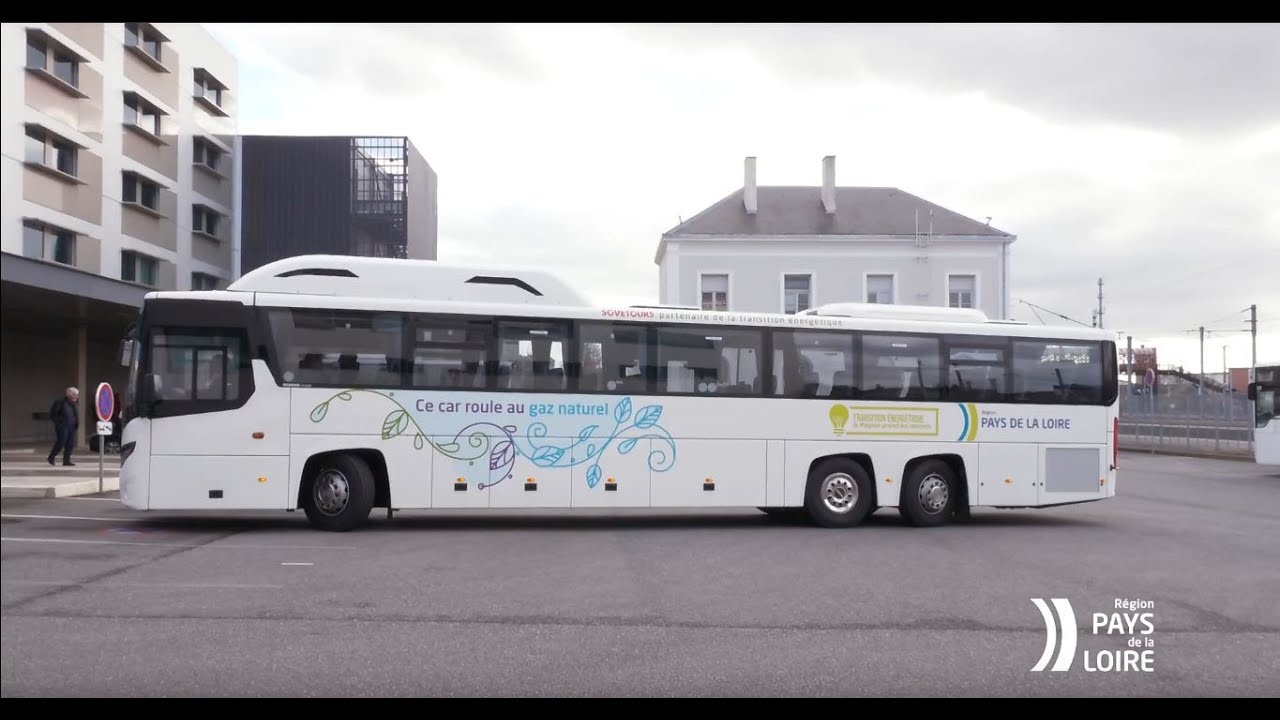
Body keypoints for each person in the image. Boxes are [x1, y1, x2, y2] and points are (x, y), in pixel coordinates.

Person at [48, 386, 80, 466]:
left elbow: (75, 414)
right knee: (61, 442)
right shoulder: (60, 402)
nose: (77, 396)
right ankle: (52, 456)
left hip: (72, 426)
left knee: (70, 444)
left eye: (77, 395)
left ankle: (66, 460)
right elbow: (53, 414)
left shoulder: (74, 403)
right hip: (63, 426)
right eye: (75, 394)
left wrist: (76, 423)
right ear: (69, 395)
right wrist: (60, 423)